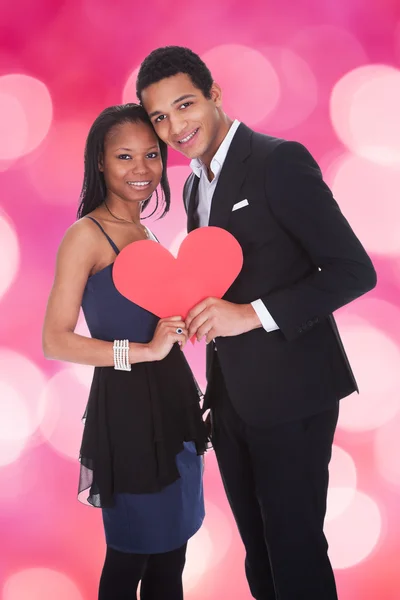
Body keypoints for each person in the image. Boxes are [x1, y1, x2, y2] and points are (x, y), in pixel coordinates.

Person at [136, 47, 377, 600]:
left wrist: (250, 314)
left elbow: (351, 270)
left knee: (295, 555)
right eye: (159, 117)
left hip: (294, 395)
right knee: (260, 560)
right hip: (232, 402)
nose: (175, 127)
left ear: (214, 94)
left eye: (185, 105)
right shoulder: (196, 183)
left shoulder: (277, 161)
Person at [42, 103, 208, 600]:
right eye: (124, 157)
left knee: (172, 555)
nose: (141, 170)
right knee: (131, 555)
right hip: (130, 416)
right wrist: (143, 351)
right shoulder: (84, 236)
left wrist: (187, 325)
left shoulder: (147, 231)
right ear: (100, 162)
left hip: (176, 405)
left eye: (152, 156)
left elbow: (156, 316)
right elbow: (55, 339)